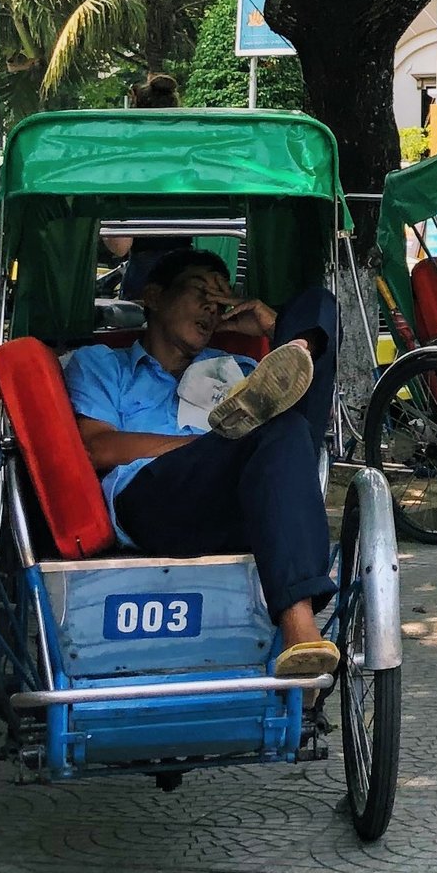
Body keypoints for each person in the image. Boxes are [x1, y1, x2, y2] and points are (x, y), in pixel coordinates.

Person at [62, 249, 342, 676]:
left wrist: (277, 329)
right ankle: (299, 625)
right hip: (151, 499)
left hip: (243, 496)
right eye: (201, 292)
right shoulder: (104, 364)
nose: (213, 306)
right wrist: (209, 446)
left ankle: (298, 345)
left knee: (319, 310)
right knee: (271, 429)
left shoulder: (242, 368)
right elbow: (99, 448)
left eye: (222, 298)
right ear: (153, 296)